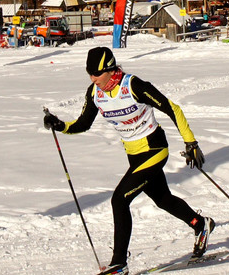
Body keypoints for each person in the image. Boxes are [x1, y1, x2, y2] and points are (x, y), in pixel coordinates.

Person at [44, 47, 213, 275]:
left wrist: (190, 143)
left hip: (154, 149)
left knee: (120, 199)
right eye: (89, 74)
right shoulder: (95, 93)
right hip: (134, 156)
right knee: (162, 199)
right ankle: (201, 225)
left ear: (110, 69)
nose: (93, 79)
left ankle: (119, 264)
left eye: (97, 73)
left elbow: (172, 108)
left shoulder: (133, 85)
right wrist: (60, 125)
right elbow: (83, 123)